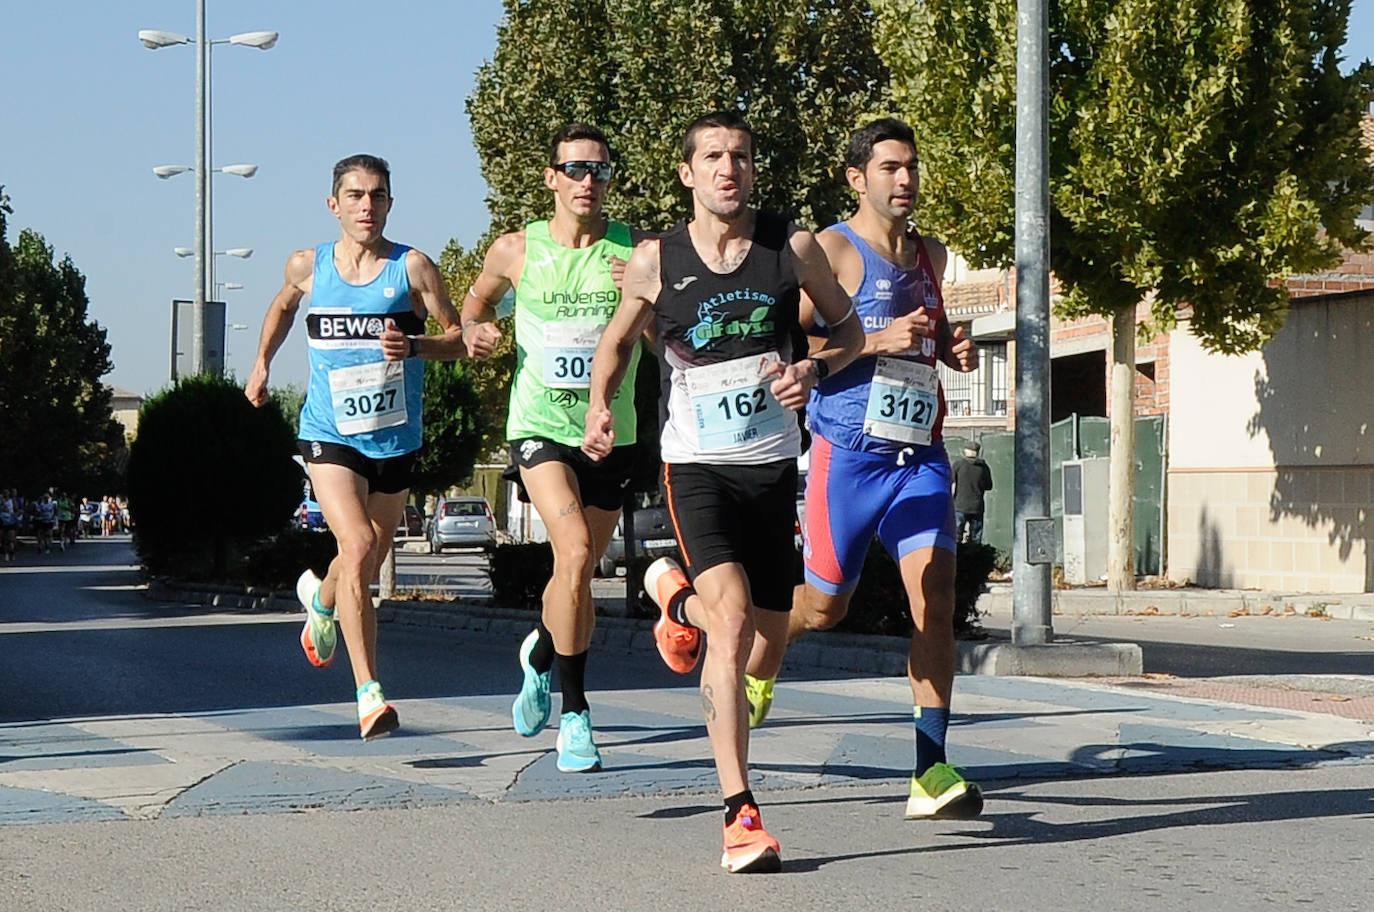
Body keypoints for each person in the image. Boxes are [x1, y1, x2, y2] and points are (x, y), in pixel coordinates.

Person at [583, 111, 864, 873]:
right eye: (712, 157)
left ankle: (674, 601)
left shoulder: (791, 248)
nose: (727, 169)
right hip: (696, 467)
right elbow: (613, 345)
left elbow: (851, 332)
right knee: (732, 625)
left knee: (767, 645)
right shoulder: (655, 261)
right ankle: (740, 812)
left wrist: (813, 368)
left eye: (739, 155)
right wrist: (601, 404)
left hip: (773, 470)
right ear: (687, 173)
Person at [741, 117, 984, 822]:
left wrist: (953, 349)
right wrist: (877, 338)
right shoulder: (833, 250)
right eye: (889, 168)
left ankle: (929, 770)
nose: (904, 179)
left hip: (919, 457)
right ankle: (766, 656)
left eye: (910, 166)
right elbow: (798, 340)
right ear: (857, 179)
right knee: (824, 607)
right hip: (847, 457)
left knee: (934, 599)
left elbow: (931, 342)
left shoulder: (932, 256)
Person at [244, 154, 467, 740]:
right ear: (334, 204)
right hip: (329, 432)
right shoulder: (308, 265)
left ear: (390, 203)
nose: (367, 206)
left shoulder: (413, 268)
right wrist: (262, 364)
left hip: (395, 437)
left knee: (363, 557)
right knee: (360, 541)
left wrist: (415, 346)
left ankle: (320, 599)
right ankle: (369, 693)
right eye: (355, 195)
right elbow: (282, 306)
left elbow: (457, 340)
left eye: (378, 196)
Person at [462, 123, 646, 774]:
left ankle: (540, 649)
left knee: (578, 578)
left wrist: (647, 293)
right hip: (538, 425)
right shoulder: (517, 250)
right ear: (552, 179)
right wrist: (475, 329)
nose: (588, 181)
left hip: (609, 433)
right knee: (571, 555)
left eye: (600, 170)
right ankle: (575, 716)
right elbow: (475, 303)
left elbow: (680, 319)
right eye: (575, 169)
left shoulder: (637, 251)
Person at [952, 440, 993, 543]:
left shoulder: (958, 465)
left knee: (956, 537)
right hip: (977, 507)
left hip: (960, 505)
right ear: (978, 452)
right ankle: (975, 557)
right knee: (976, 538)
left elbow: (950, 483)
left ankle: (958, 557)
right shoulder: (984, 467)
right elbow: (989, 486)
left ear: (965, 451)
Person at [0, 490, 17, 561]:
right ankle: (6, 553)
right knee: (3, 539)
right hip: (1, 521)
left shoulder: (12, 501)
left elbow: (16, 509)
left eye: (7, 493)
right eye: (4, 493)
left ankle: (12, 552)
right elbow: (3, 509)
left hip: (10, 521)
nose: (6, 494)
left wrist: (16, 514)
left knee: (11, 539)